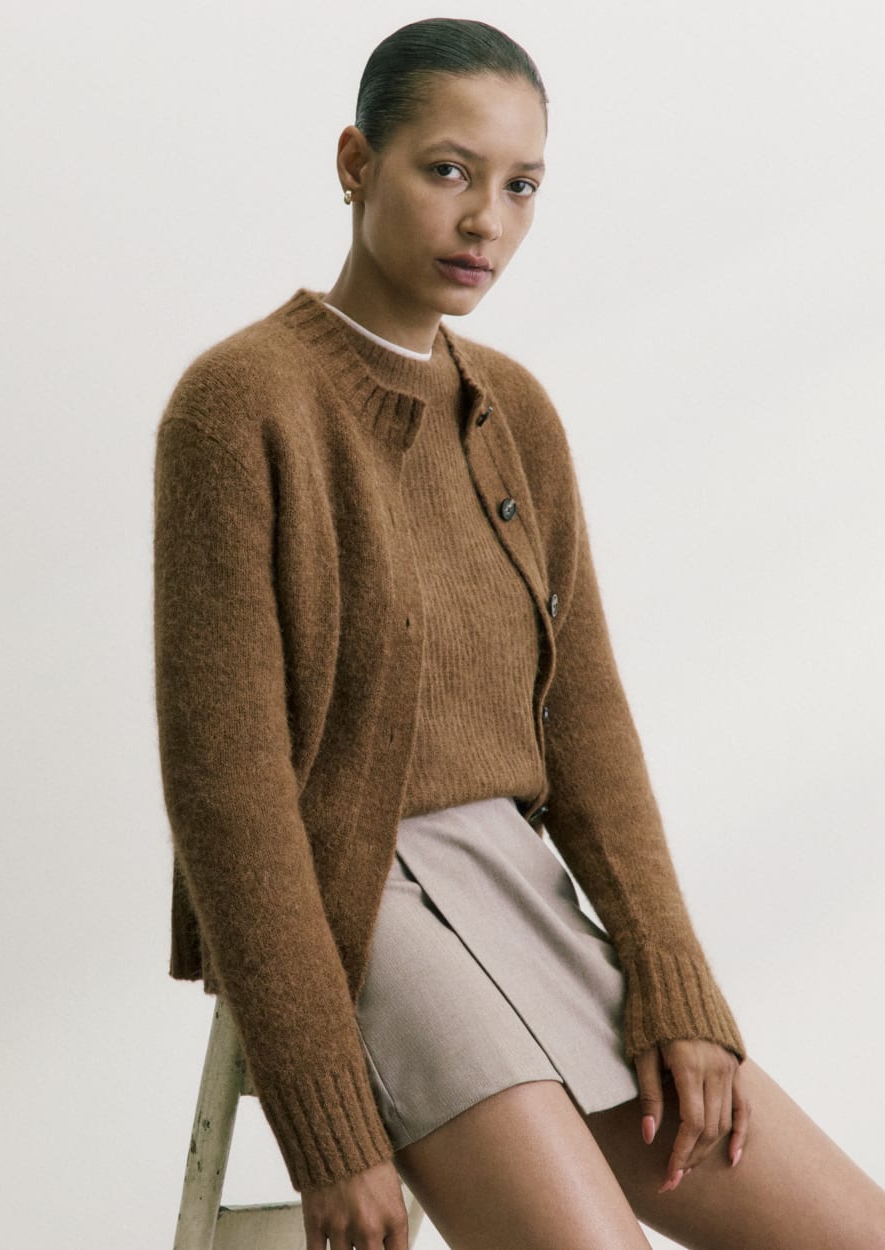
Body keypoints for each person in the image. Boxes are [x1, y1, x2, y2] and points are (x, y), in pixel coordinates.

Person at [152, 18, 885, 1250]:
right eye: (448, 170)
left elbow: (584, 718)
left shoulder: (514, 412)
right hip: (356, 897)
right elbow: (227, 792)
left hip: (517, 880)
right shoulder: (238, 405)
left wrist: (673, 981)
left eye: (520, 185)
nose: (484, 219)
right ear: (355, 161)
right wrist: (330, 1127)